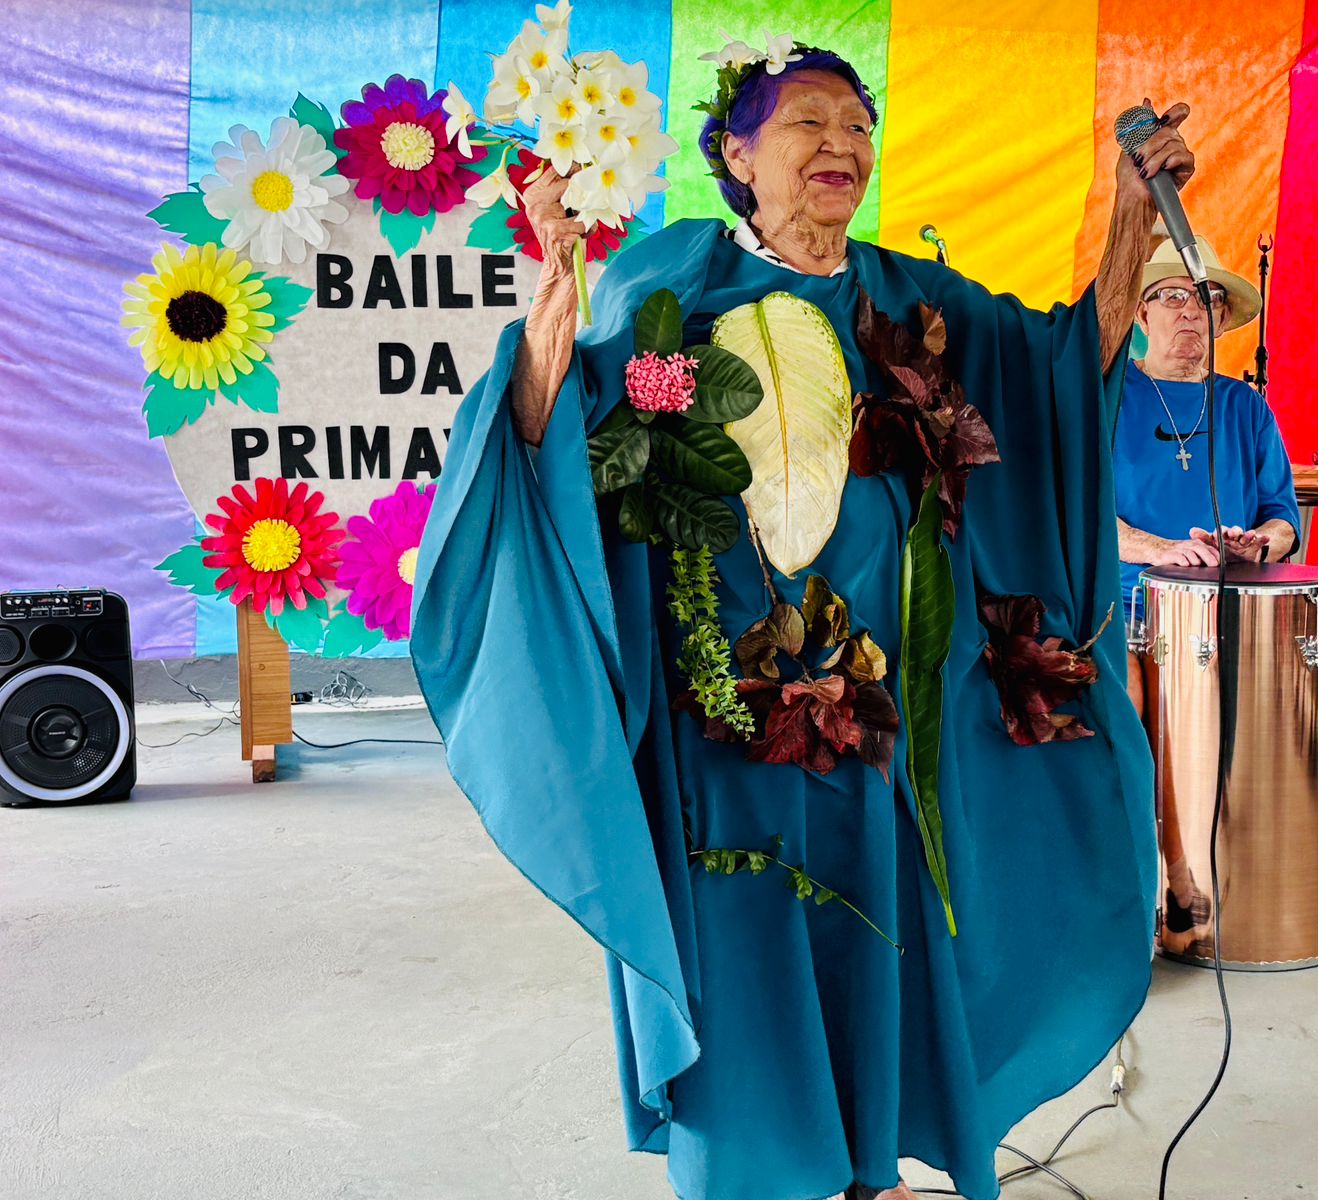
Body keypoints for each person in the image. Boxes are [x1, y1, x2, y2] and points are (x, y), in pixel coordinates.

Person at [412, 38, 1196, 1200]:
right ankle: (759, 1173)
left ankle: (867, 1169)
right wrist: (553, 294)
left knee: (880, 935)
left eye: (858, 125)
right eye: (807, 123)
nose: (843, 145)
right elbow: (562, 438)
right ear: (735, 152)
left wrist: (1134, 216)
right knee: (754, 938)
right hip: (732, 717)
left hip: (892, 716)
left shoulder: (907, 294)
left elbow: (1056, 371)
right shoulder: (673, 294)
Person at [1115, 235, 1318, 934]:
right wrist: (1163, 549)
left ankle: (1297, 857)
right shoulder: (1106, 397)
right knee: (1131, 693)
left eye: (1206, 299)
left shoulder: (1245, 408)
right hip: (1133, 609)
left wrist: (1260, 542)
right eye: (1171, 296)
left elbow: (1282, 517)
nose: (1191, 313)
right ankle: (1174, 881)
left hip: (1247, 615)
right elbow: (1082, 513)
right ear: (1142, 315)